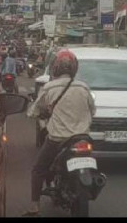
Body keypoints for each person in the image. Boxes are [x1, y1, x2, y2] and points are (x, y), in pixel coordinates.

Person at [23, 48, 95, 216]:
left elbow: (32, 112)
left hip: (57, 140)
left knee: (38, 169)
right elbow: (92, 111)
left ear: (55, 69)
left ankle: (34, 205)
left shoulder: (49, 88)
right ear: (74, 69)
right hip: (83, 138)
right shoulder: (84, 88)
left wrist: (39, 112)